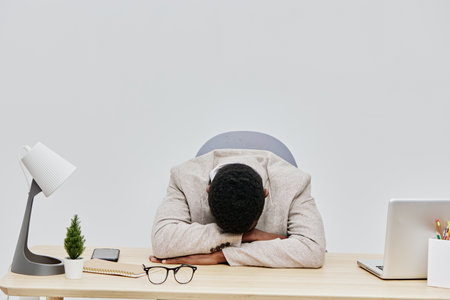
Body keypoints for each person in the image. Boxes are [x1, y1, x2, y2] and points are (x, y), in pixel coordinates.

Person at [150, 149, 326, 268]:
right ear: (207, 192)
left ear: (266, 194)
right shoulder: (183, 177)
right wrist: (251, 235)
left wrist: (223, 256)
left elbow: (312, 250)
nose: (241, 235)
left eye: (247, 231)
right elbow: (162, 241)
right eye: (226, 231)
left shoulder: (294, 183)